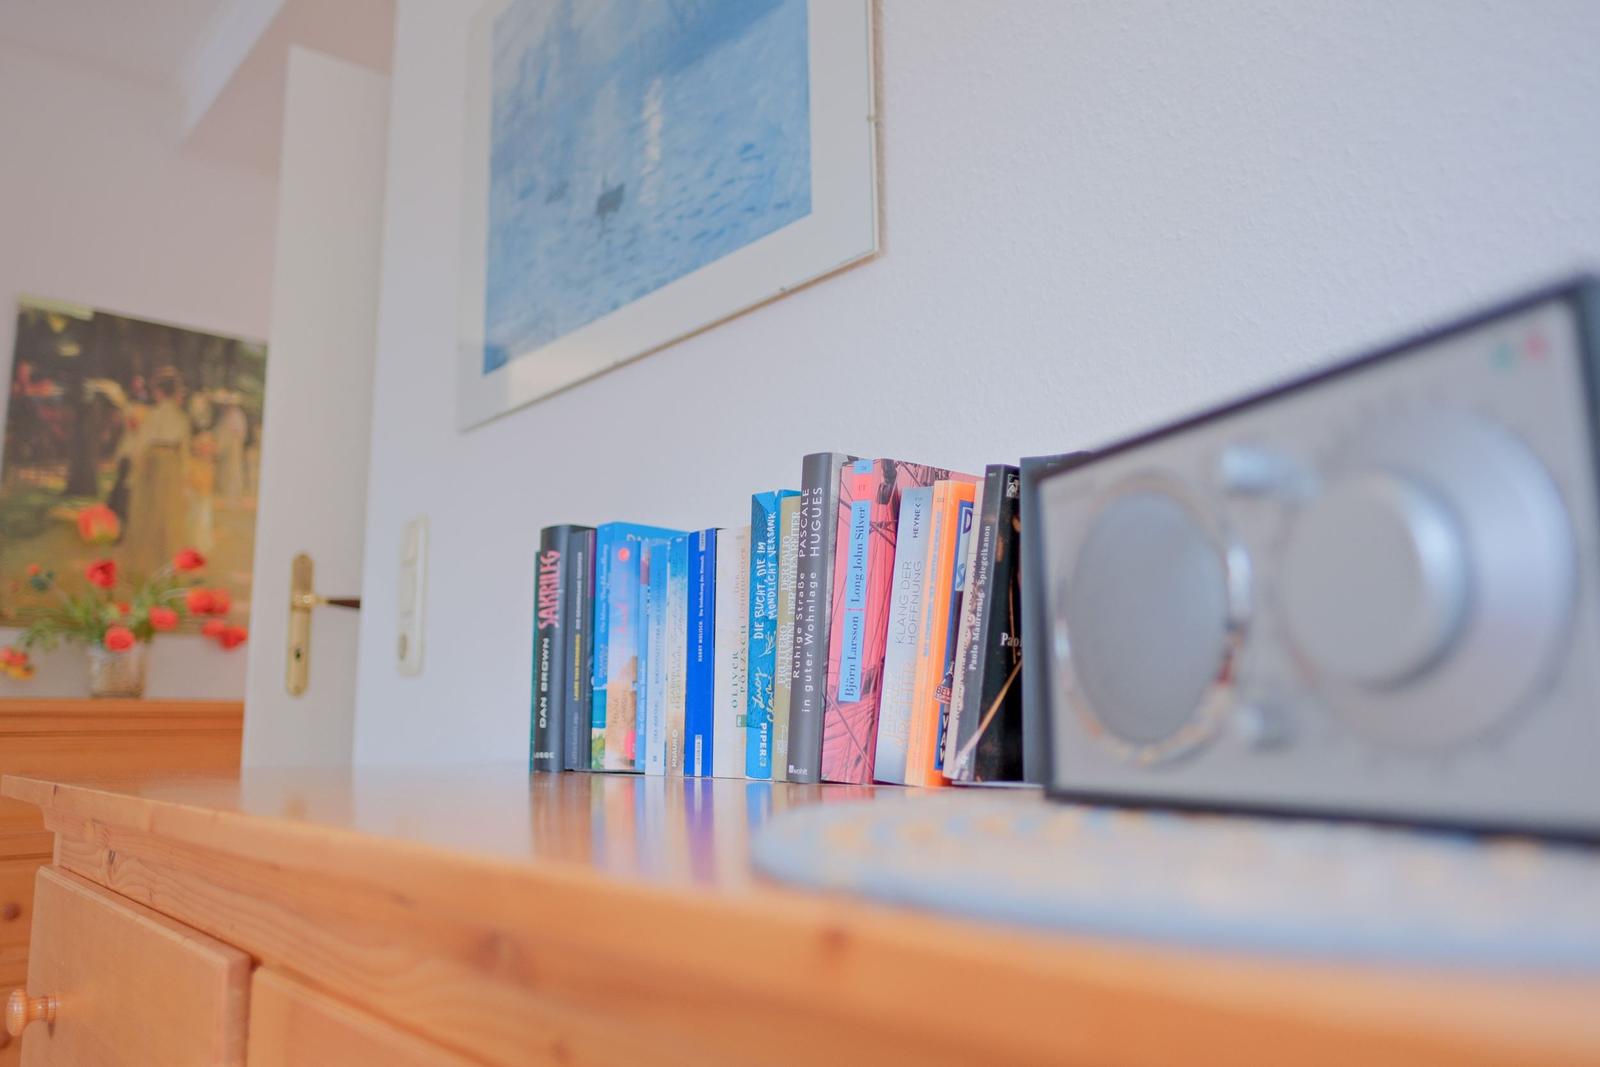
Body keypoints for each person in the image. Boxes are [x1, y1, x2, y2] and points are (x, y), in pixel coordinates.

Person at [121, 368, 191, 578]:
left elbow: (141, 446)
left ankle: (147, 565)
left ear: (159, 392)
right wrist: (184, 477)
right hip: (172, 466)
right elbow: (184, 451)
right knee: (167, 515)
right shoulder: (181, 417)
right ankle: (165, 564)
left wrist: (134, 474)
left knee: (148, 513)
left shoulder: (152, 415)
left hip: (152, 464)